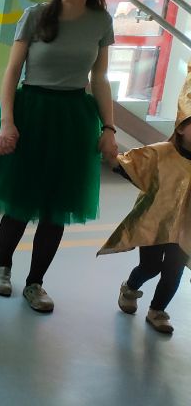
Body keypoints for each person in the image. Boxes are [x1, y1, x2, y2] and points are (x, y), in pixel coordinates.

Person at [0, 0, 117, 313]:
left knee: (56, 206)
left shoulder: (101, 22)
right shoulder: (36, 15)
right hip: (31, 110)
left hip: (73, 117)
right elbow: (12, 71)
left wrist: (109, 128)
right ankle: (1, 267)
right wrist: (8, 121)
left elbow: (99, 78)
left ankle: (36, 283)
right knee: (20, 199)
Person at [98, 66, 191, 334]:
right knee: (151, 266)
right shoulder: (162, 153)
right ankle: (130, 287)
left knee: (174, 270)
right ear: (181, 128)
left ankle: (157, 310)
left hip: (185, 228)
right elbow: (134, 165)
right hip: (154, 223)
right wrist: (114, 160)